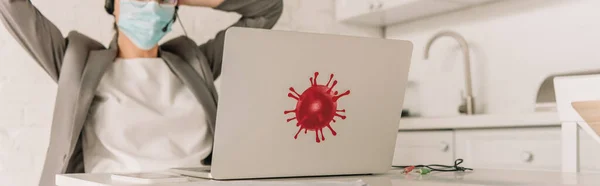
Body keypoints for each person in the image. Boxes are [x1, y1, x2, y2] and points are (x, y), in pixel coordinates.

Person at [0, 0, 283, 185]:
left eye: (159, 1)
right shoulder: (78, 63)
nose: (148, 4)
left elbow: (267, 8)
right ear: (114, 6)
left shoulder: (196, 63)